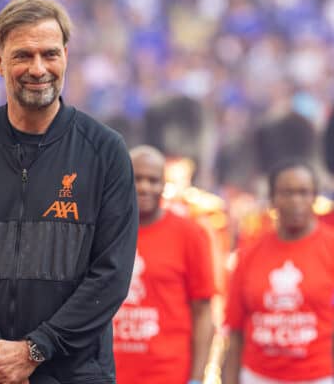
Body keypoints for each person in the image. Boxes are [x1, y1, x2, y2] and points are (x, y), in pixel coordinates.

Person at [0, 0, 137, 384]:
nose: (38, 68)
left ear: (66, 56)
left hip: (74, 373)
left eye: (49, 54)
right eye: (23, 55)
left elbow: (112, 275)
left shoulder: (105, 151)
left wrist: (36, 349)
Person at [222, 160, 334, 384]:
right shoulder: (249, 254)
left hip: (318, 376)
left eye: (303, 193)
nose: (296, 201)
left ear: (315, 198)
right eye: (287, 193)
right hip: (256, 376)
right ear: (272, 199)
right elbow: (235, 332)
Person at [112, 146, 214, 384]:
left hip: (168, 374)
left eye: (153, 180)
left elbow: (204, 312)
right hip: (108, 373)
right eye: (137, 178)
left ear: (164, 185)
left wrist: (197, 378)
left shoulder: (190, 233)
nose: (144, 187)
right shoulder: (101, 230)